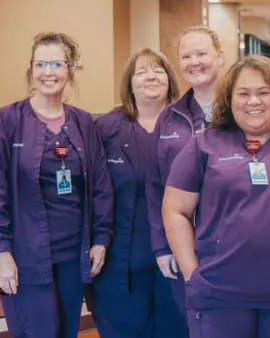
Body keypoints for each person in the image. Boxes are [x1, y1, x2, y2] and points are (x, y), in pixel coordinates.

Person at [162, 55, 270, 337]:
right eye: (243, 93)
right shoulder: (204, 145)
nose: (253, 101)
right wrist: (191, 273)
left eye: (264, 92)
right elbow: (175, 210)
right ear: (229, 100)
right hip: (218, 292)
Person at [0, 32, 113, 338]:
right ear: (31, 70)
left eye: (56, 63)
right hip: (24, 255)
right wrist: (0, 252)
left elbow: (100, 187)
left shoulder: (82, 123)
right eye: (40, 64)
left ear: (70, 70)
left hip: (72, 253)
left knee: (66, 332)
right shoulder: (7, 121)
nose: (48, 72)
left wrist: (101, 239)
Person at [90, 48, 180, 337]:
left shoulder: (188, 124)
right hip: (121, 258)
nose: (150, 77)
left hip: (179, 254)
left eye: (158, 70)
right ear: (129, 82)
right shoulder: (107, 128)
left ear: (170, 78)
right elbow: (92, 191)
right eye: (141, 72)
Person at [147, 25, 224, 334]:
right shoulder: (170, 117)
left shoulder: (245, 109)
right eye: (186, 56)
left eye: (202, 53)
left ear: (219, 55)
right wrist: (161, 247)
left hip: (236, 244)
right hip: (183, 244)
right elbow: (155, 186)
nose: (195, 62)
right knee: (193, 323)